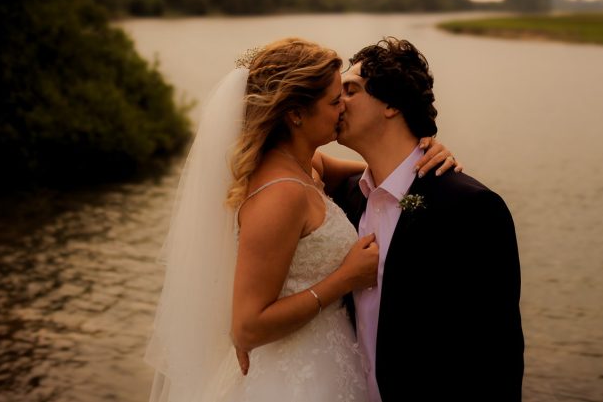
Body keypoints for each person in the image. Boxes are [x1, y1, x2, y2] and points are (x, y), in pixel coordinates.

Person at [145, 38, 457, 402]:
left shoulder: (308, 167)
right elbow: (246, 328)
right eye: (333, 100)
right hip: (295, 378)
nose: (343, 108)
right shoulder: (281, 193)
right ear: (296, 114)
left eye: (346, 95)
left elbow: (381, 177)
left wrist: (425, 152)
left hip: (332, 358)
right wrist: (344, 279)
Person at [333, 37, 525, 402]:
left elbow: (497, 355)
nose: (336, 101)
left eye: (351, 90)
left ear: (391, 104)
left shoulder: (472, 208)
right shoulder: (346, 196)